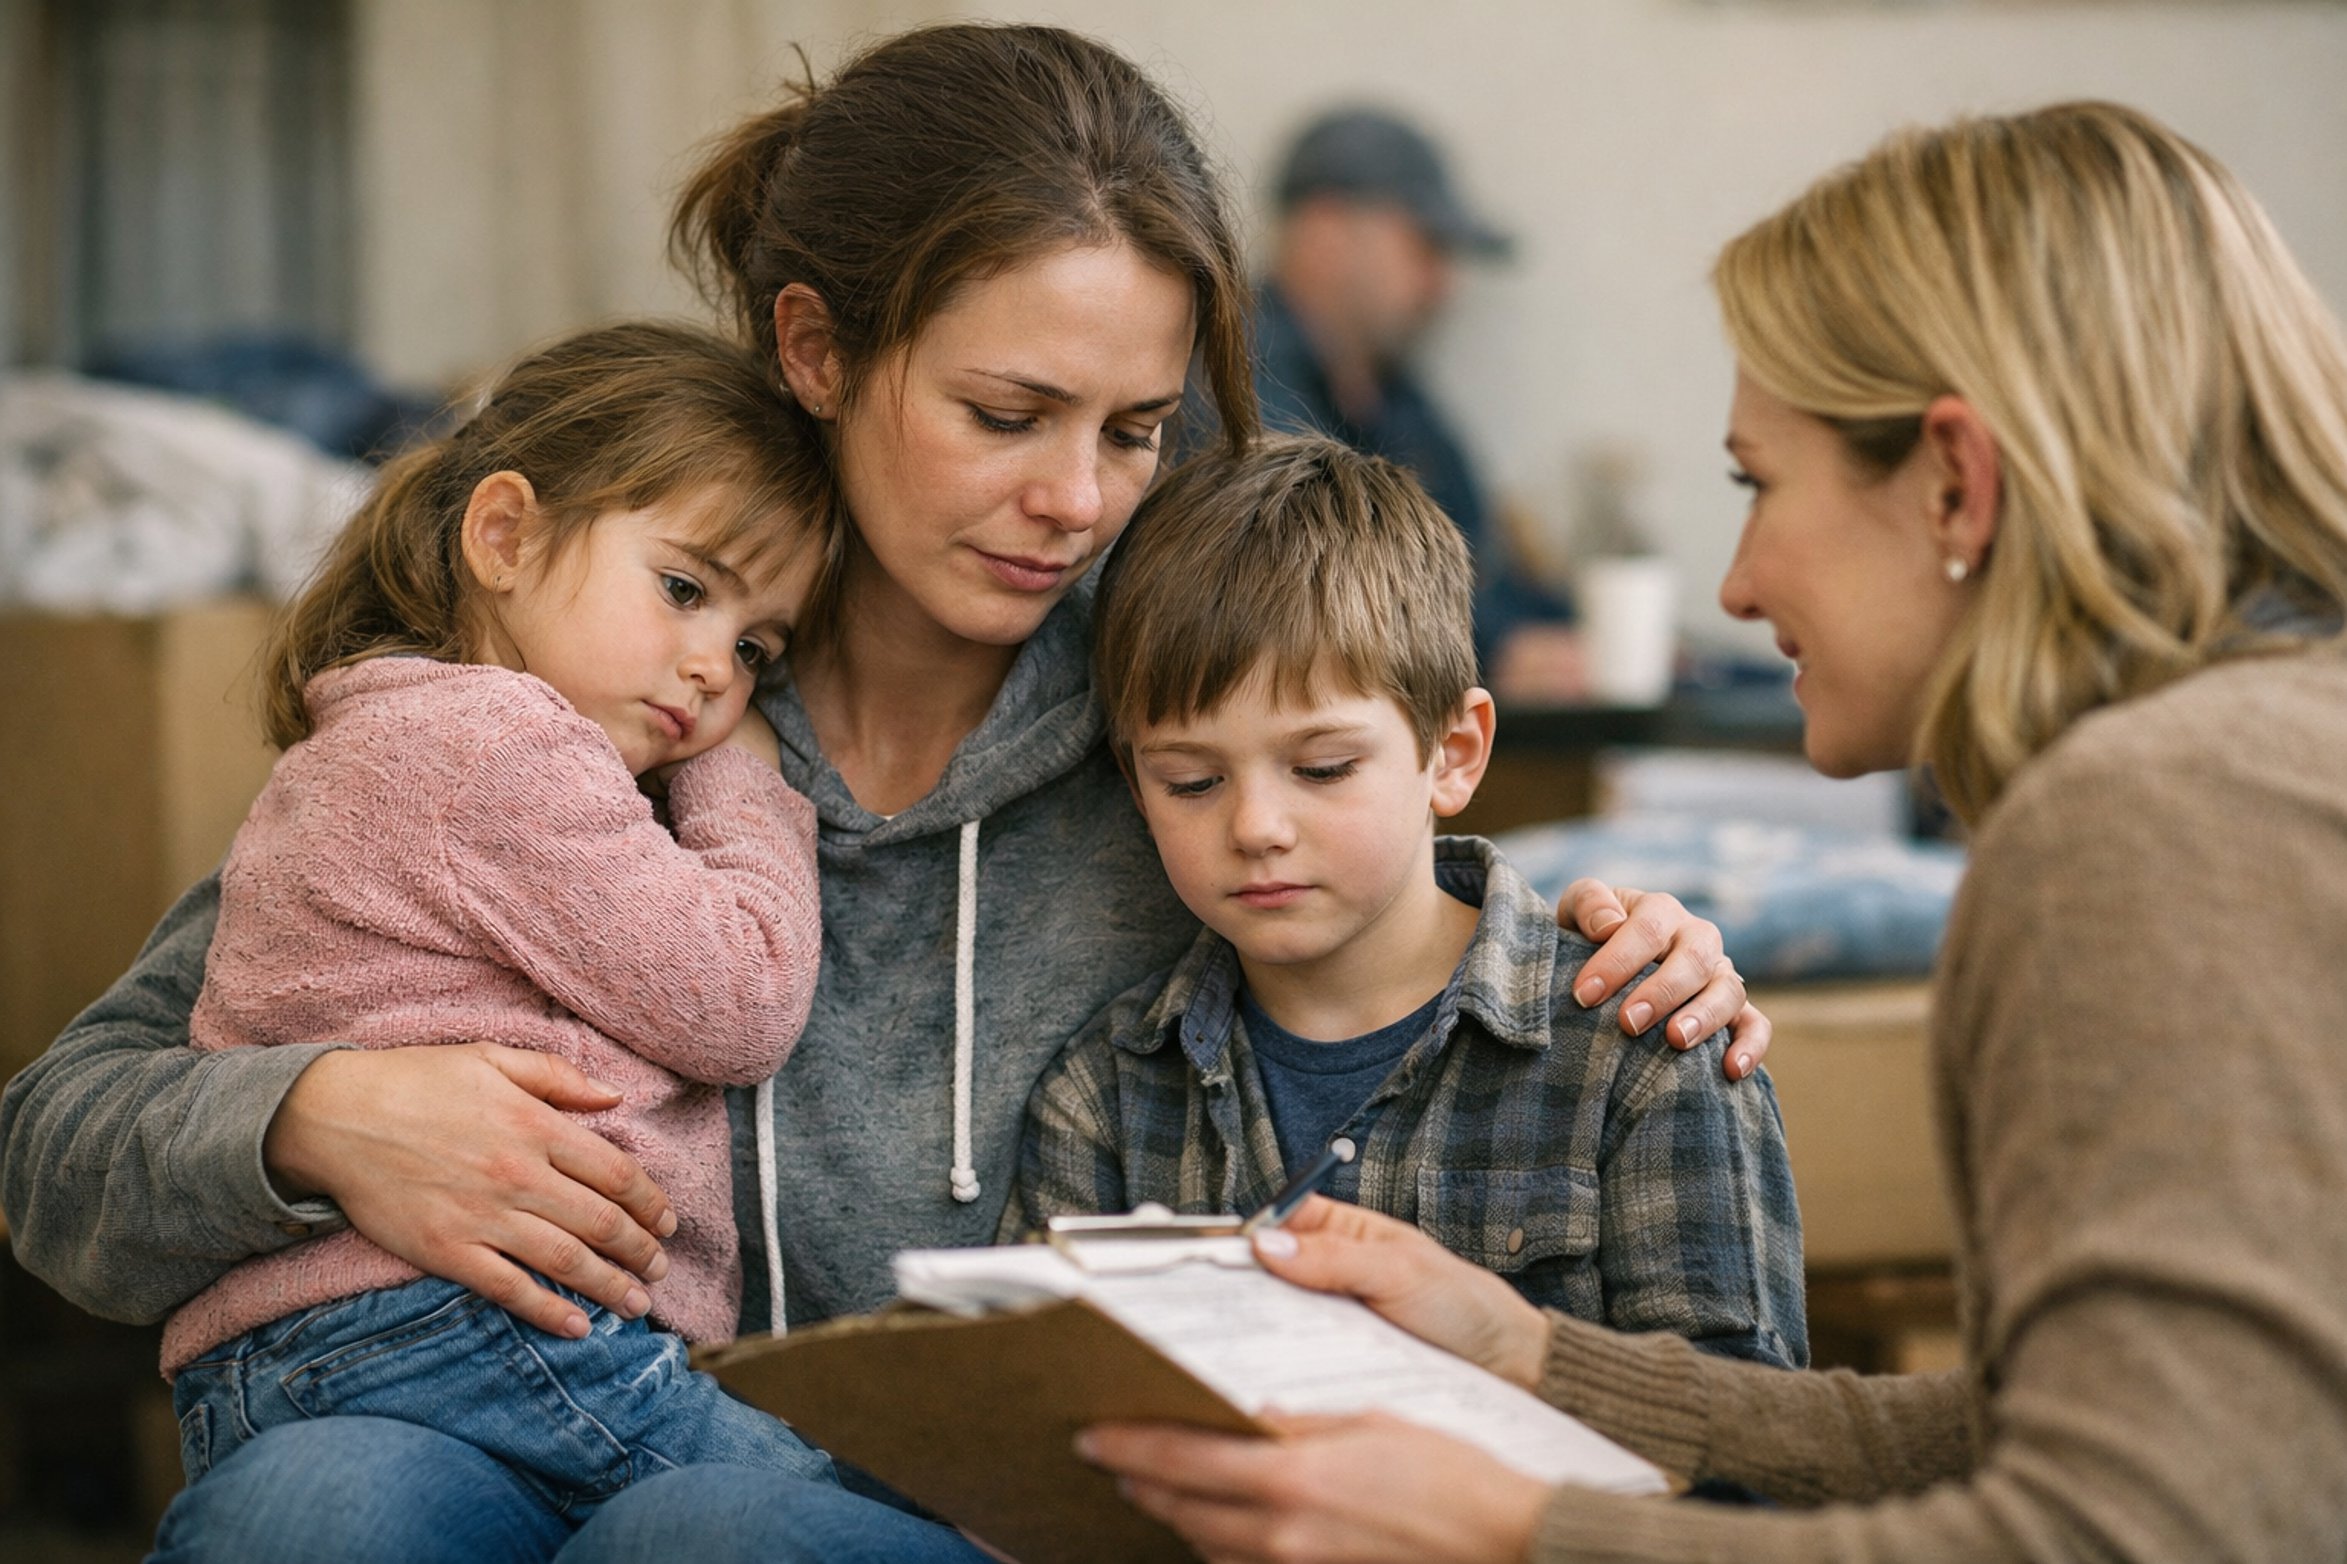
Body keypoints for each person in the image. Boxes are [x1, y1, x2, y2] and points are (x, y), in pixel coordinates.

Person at [0, 24, 1768, 1562]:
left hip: (916, 1512)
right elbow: (58, 1137)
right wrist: (313, 1119)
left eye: (1134, 427)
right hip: (508, 1441)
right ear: (818, 347)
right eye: (1007, 412)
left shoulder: (1166, 735)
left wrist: (1604, 933)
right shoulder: (570, 703)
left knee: (708, 1526)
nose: (1076, 497)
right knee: (305, 1512)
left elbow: (1370, 863)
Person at [1079, 100, 2347, 1563]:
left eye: (1756, 481)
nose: (1734, 586)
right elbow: (2023, 1429)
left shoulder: (2138, 820)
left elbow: (2140, 1532)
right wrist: (1533, 1354)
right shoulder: (2252, 764)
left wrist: (1503, 1535)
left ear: (1953, 480)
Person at [162, 322, 839, 1520]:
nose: (711, 672)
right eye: (683, 590)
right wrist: (744, 775)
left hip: (294, 1351)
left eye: (754, 649)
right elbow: (741, 994)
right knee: (888, 1518)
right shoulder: (500, 751)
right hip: (469, 1323)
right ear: (506, 534)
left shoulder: (378, 732)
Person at [1009, 435, 1805, 1368]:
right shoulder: (1104, 1095)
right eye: (1191, 782)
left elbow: (1738, 1452)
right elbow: (1043, 1428)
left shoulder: (1643, 1054)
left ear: (1453, 754)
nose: (1257, 825)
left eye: (1323, 767)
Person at [1253, 107, 1578, 690]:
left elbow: (1483, 565)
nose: (1443, 285)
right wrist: (1500, 651)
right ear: (1325, 227)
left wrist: (1585, 632)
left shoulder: (1398, 398)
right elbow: (1303, 587)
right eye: (1424, 248)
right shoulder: (1235, 375)